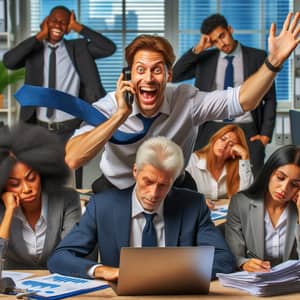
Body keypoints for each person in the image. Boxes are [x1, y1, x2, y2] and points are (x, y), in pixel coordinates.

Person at [65, 12, 299, 193]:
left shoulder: (187, 99)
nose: (148, 78)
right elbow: (74, 157)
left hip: (171, 189)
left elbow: (243, 100)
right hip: (119, 189)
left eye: (157, 70)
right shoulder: (109, 106)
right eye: (140, 70)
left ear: (168, 76)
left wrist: (274, 61)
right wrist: (119, 117)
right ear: (128, 77)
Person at [48, 136, 235, 280]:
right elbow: (59, 258)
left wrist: (172, 273)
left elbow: (223, 260)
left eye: (163, 185)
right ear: (135, 172)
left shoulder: (193, 206)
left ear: (174, 180)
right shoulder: (102, 206)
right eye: (148, 182)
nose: (154, 193)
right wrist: (102, 270)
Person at [3, 5, 116, 188]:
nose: (58, 25)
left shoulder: (78, 49)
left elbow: (109, 48)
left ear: (68, 26)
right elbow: (9, 61)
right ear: (46, 21)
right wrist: (39, 36)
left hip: (71, 127)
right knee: (37, 182)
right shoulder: (34, 50)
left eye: (63, 22)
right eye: (54, 20)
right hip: (39, 128)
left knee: (71, 183)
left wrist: (78, 27)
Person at [172, 14, 276, 177]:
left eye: (222, 36)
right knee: (201, 179)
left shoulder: (257, 57)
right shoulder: (205, 59)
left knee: (251, 181)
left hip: (247, 127)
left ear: (230, 30)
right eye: (215, 41)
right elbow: (175, 76)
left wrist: (265, 135)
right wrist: (199, 49)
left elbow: (269, 98)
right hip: (210, 127)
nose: (221, 43)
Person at [0, 123, 81, 269]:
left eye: (31, 179)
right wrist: (9, 211)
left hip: (58, 282)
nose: (26, 189)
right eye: (14, 183)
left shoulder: (67, 199)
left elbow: (71, 252)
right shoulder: (2, 207)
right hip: (9, 288)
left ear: (42, 174)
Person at [225, 145, 300, 272]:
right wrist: (244, 264)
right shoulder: (240, 203)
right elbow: (235, 255)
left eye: (295, 184)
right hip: (254, 283)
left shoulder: (296, 209)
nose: (284, 188)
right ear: (269, 173)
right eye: (280, 178)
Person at [186, 124, 253, 209]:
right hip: (195, 212)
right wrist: (196, 200)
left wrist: (244, 157)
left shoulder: (235, 167)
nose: (224, 145)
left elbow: (245, 196)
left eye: (231, 144)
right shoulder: (191, 161)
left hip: (222, 216)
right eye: (223, 139)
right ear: (214, 139)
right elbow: (178, 192)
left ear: (235, 152)